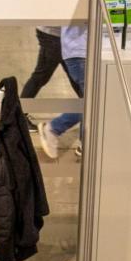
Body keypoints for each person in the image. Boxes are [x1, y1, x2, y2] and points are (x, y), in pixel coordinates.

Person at [37, 24, 87, 159]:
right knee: (92, 102)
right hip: (80, 52)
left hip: (79, 50)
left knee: (88, 99)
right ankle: (54, 128)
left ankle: (85, 143)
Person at [21, 27, 82, 132]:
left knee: (76, 78)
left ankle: (87, 111)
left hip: (60, 36)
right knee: (41, 76)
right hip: (54, 36)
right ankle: (19, 116)